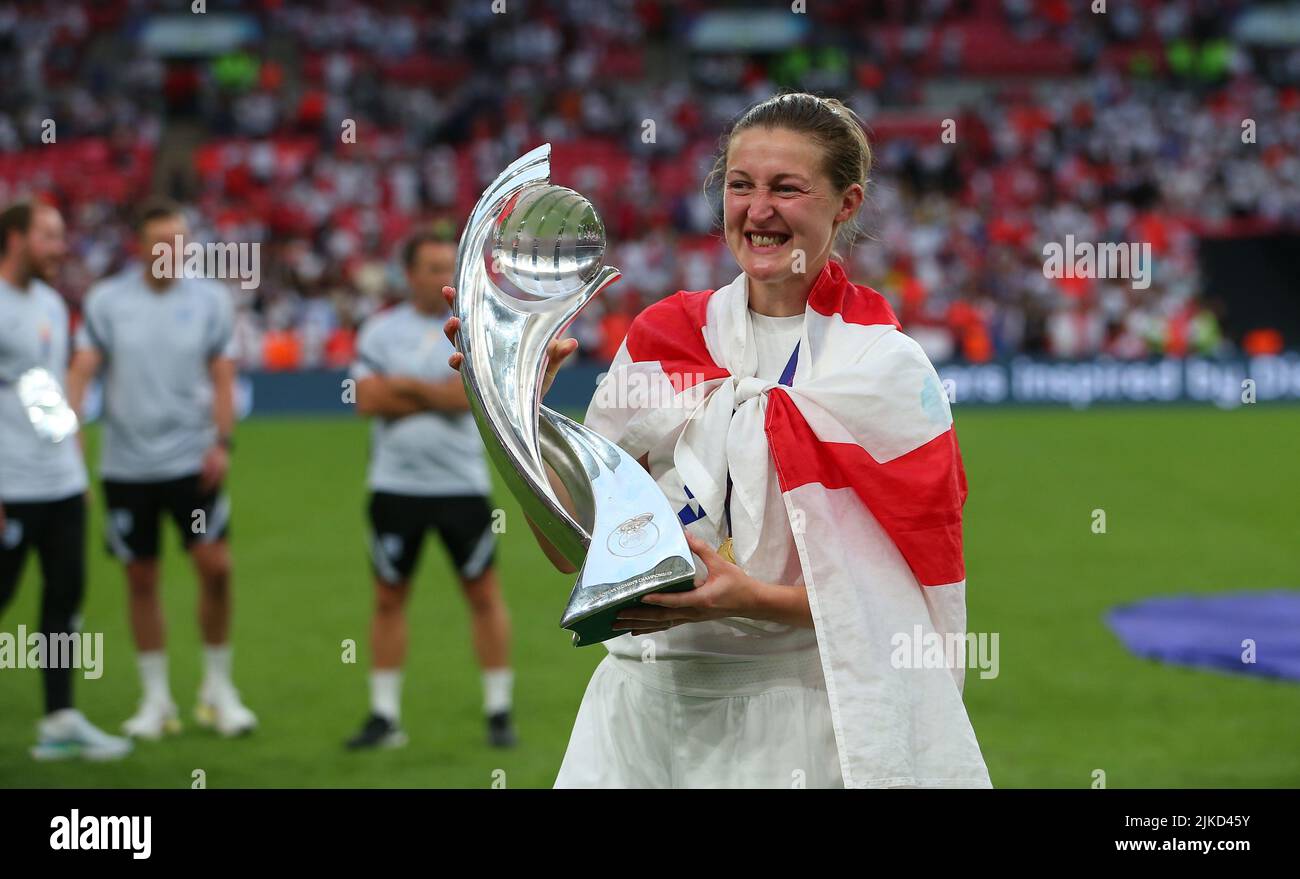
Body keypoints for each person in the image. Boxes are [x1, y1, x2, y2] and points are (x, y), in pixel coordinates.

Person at [444, 93, 992, 788]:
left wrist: (748, 599)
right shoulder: (663, 337)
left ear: (846, 203)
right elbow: (568, 547)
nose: (757, 211)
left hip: (792, 719)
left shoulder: (882, 370)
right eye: (740, 185)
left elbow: (901, 602)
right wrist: (512, 408)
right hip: (639, 714)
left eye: (786, 188)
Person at [65, 200, 255, 739]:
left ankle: (218, 690)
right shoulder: (107, 301)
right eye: (160, 243)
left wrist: (222, 442)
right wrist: (69, 431)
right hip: (127, 467)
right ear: (141, 248)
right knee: (140, 577)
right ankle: (155, 701)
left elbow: (222, 375)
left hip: (192, 462)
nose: (171, 252)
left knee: (216, 567)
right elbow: (82, 368)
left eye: (179, 242)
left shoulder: (211, 301)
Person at [344, 231, 516, 750]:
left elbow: (473, 400)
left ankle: (498, 710)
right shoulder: (380, 330)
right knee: (388, 598)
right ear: (408, 273)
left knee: (483, 595)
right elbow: (366, 399)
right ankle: (384, 716)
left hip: (461, 485)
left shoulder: (475, 327)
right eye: (432, 266)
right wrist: (439, 394)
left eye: (450, 264)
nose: (443, 274)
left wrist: (405, 388)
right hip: (395, 486)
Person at [0, 200, 131, 761]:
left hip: (58, 484)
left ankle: (59, 719)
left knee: (64, 602)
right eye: (50, 237)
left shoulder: (51, 302)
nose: (61, 248)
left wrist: (74, 466)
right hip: (9, 486)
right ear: (16, 238)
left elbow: (46, 389)